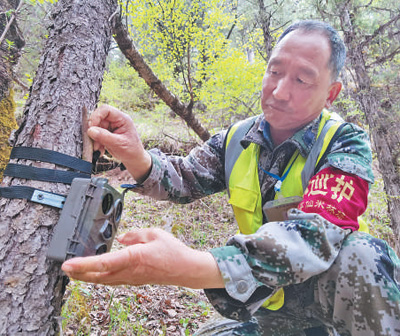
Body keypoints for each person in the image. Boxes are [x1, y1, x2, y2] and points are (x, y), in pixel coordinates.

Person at [61, 20, 400, 335]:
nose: (279, 91)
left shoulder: (344, 142)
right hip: (271, 313)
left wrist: (192, 267)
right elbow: (186, 177)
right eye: (275, 71)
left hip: (339, 315)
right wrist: (136, 154)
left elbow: (314, 234)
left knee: (363, 254)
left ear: (331, 92)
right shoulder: (239, 138)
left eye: (302, 80)